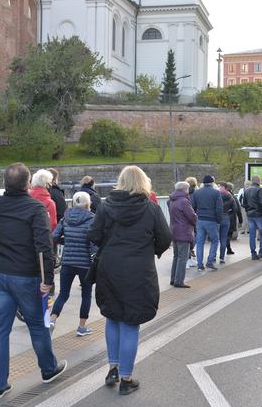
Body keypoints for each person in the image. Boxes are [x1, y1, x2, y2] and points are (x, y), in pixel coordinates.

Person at [88, 166, 171, 396]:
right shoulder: (152, 209)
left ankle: (112, 368)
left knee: (112, 317)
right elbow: (165, 238)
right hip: (138, 272)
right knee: (130, 322)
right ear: (143, 182)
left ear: (121, 182)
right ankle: (126, 378)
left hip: (109, 269)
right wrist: (148, 250)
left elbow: (93, 235)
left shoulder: (105, 207)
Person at [0, 163, 65, 399]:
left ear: (4, 183)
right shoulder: (35, 208)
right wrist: (48, 280)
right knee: (37, 325)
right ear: (27, 183)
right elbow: (43, 246)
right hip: (26, 276)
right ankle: (48, 369)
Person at [49, 192, 95, 336]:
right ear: (88, 204)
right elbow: (94, 242)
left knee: (63, 294)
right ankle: (81, 327)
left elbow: (54, 236)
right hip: (85, 264)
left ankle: (52, 320)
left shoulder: (65, 218)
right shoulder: (92, 219)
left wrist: (66, 240)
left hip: (68, 262)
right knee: (86, 295)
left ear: (74, 203)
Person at [167, 181, 197, 288]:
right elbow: (191, 217)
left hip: (174, 231)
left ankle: (173, 278)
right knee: (182, 258)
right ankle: (179, 281)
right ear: (185, 189)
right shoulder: (184, 201)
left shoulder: (171, 200)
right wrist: (195, 216)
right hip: (184, 231)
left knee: (176, 256)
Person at [190, 175, 222, 270]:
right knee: (215, 240)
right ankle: (209, 261)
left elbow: (192, 206)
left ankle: (200, 265)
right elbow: (219, 208)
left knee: (200, 242)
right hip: (211, 220)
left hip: (200, 220)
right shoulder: (216, 193)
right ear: (212, 183)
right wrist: (218, 220)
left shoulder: (197, 192)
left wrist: (197, 215)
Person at [243, 175, 262, 260]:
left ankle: (253, 253)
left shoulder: (246, 190)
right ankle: (261, 252)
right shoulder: (259, 189)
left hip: (250, 215)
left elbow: (244, 203)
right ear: (258, 181)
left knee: (252, 235)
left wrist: (248, 211)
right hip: (259, 215)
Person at [218, 182, 239, 264]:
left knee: (215, 239)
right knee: (224, 238)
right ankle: (221, 257)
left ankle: (212, 257)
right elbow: (235, 208)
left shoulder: (216, 196)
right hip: (226, 217)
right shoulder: (230, 196)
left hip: (217, 218)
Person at [225, 182, 242, 255]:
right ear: (231, 189)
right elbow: (237, 209)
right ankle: (228, 249)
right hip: (231, 218)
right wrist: (240, 220)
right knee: (228, 235)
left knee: (223, 235)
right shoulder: (233, 197)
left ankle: (224, 249)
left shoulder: (220, 195)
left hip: (222, 217)